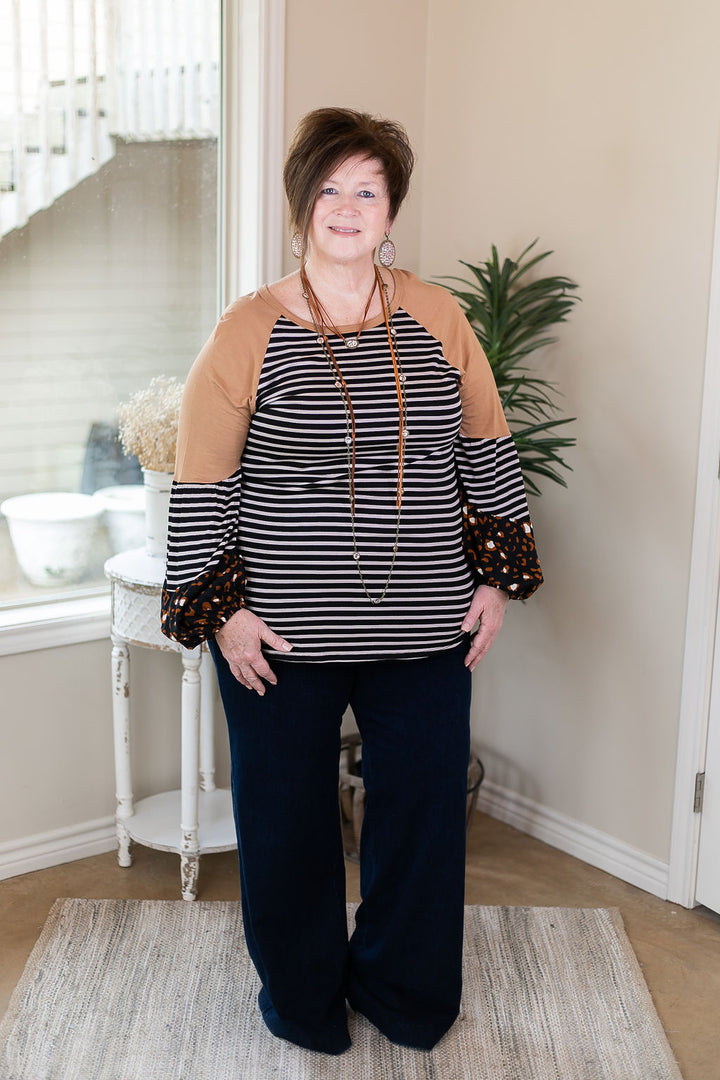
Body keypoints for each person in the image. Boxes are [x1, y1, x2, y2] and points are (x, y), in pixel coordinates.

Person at [161, 107, 543, 1056]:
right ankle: (303, 1001)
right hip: (281, 637)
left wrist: (493, 580)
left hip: (423, 629)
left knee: (418, 824)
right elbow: (203, 480)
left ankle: (407, 995)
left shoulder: (439, 315)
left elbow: (484, 447)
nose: (347, 206)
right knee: (286, 829)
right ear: (302, 208)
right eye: (329, 188)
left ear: (390, 210)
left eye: (366, 190)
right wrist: (226, 617)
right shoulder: (247, 329)